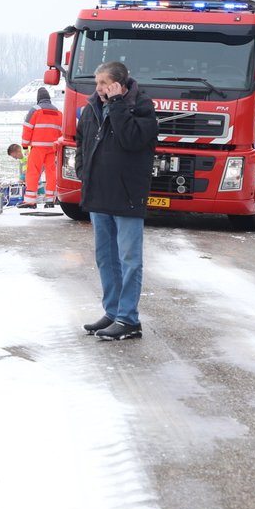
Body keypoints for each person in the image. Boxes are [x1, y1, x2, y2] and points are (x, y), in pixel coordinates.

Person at [77, 60, 157, 340]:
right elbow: (81, 142)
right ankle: (112, 313)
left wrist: (118, 104)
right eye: (97, 83)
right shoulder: (92, 108)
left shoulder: (142, 107)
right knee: (106, 259)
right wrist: (83, 172)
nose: (98, 88)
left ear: (119, 84)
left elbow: (131, 140)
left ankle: (128, 319)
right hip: (99, 195)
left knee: (129, 259)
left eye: (103, 83)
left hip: (127, 196)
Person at [21, 87, 64, 208]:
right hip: (52, 148)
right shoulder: (58, 112)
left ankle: (30, 201)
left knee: (33, 172)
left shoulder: (35, 110)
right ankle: (50, 200)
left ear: (38, 99)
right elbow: (62, 132)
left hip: (38, 147)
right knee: (51, 173)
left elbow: (27, 128)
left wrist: (25, 145)